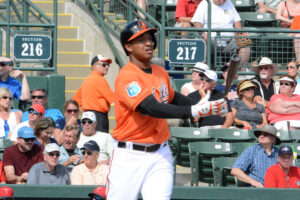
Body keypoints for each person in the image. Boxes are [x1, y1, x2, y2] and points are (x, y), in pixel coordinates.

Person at [107, 20, 227, 200]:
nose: (149, 43)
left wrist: (204, 106)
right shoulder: (127, 75)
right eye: (141, 40)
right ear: (128, 46)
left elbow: (173, 97)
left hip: (160, 153)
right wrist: (192, 111)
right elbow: (151, 107)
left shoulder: (160, 72)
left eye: (150, 38)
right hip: (129, 154)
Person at [191, 0, 250, 66]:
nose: (222, 0)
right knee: (202, 41)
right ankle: (203, 71)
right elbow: (196, 21)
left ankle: (242, 70)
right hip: (210, 40)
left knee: (245, 41)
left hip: (229, 41)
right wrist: (203, 33)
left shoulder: (229, 2)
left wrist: (240, 33)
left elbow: (237, 21)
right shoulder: (205, 3)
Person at [73, 54, 115, 133]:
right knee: (100, 143)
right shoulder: (99, 79)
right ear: (94, 66)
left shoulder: (88, 79)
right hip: (99, 118)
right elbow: (113, 98)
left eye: (108, 65)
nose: (107, 67)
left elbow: (76, 99)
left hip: (88, 117)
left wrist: (85, 113)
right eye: (104, 64)